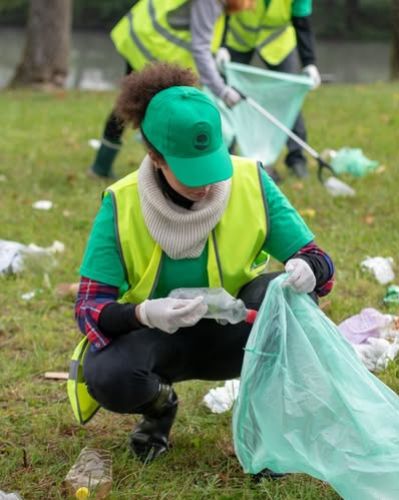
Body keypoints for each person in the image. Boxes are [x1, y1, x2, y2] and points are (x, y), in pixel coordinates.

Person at [73, 63, 335, 464]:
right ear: (156, 158)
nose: (207, 184)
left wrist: (308, 270)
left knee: (285, 300)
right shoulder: (121, 203)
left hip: (239, 334)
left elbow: (320, 262)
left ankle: (265, 431)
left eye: (213, 164)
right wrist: (143, 313)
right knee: (106, 374)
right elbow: (89, 309)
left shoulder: (250, 180)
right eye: (191, 173)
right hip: (160, 342)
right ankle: (159, 408)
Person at [88, 0, 254, 180]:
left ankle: (103, 166)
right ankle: (154, 173)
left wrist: (218, 52)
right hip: (151, 48)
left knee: (132, 105)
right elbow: (200, 49)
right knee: (143, 109)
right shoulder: (209, 2)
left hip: (145, 36)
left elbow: (199, 34)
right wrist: (222, 90)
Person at [218, 0, 321, 180]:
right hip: (238, 39)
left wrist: (309, 62)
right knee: (226, 95)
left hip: (278, 43)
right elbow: (221, 10)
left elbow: (302, 21)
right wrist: (221, 46)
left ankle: (296, 159)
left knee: (290, 96)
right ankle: (224, 155)